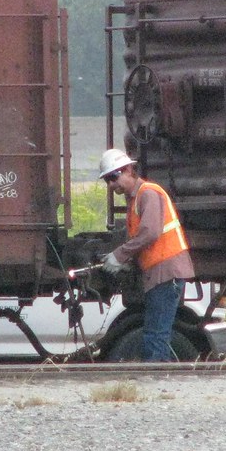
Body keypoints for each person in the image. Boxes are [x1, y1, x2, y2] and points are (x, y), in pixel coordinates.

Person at [98, 148, 195, 362]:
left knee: (155, 336)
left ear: (128, 170)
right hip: (159, 274)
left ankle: (157, 382)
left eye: (114, 177)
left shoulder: (149, 193)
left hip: (166, 273)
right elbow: (142, 240)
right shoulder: (135, 199)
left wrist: (120, 255)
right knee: (156, 335)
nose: (111, 184)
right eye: (107, 180)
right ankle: (162, 379)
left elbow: (150, 232)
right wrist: (128, 261)